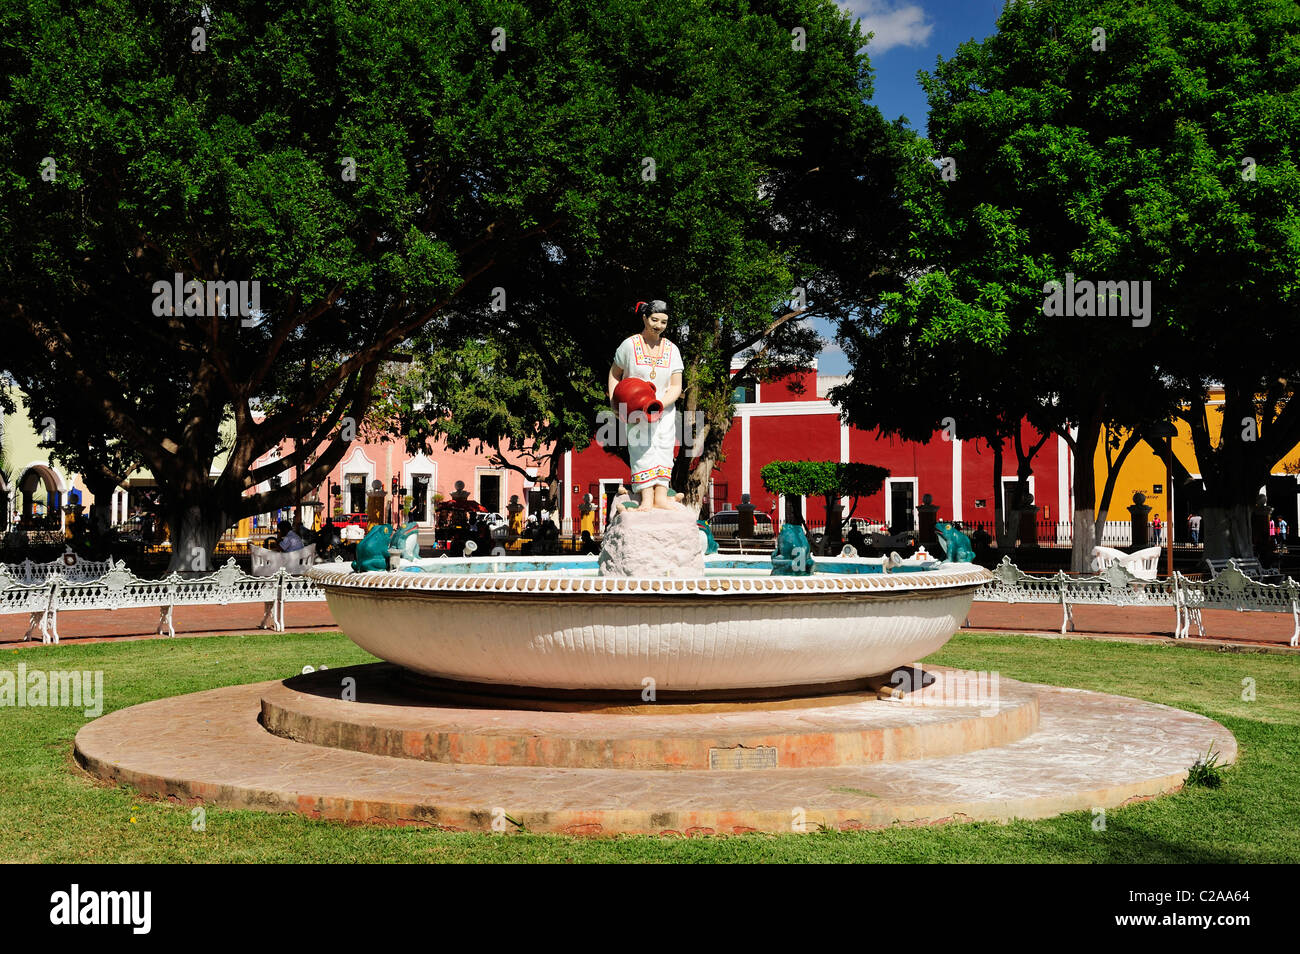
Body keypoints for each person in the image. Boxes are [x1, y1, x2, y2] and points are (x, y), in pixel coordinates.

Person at [608, 299, 684, 511]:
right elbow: (615, 373)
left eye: (664, 322)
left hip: (664, 410)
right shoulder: (629, 345)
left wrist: (660, 402)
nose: (658, 326)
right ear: (644, 318)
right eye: (654, 320)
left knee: (664, 450)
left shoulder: (672, 350)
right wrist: (615, 401)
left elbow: (676, 386)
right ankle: (646, 499)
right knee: (641, 451)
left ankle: (660, 496)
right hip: (636, 411)